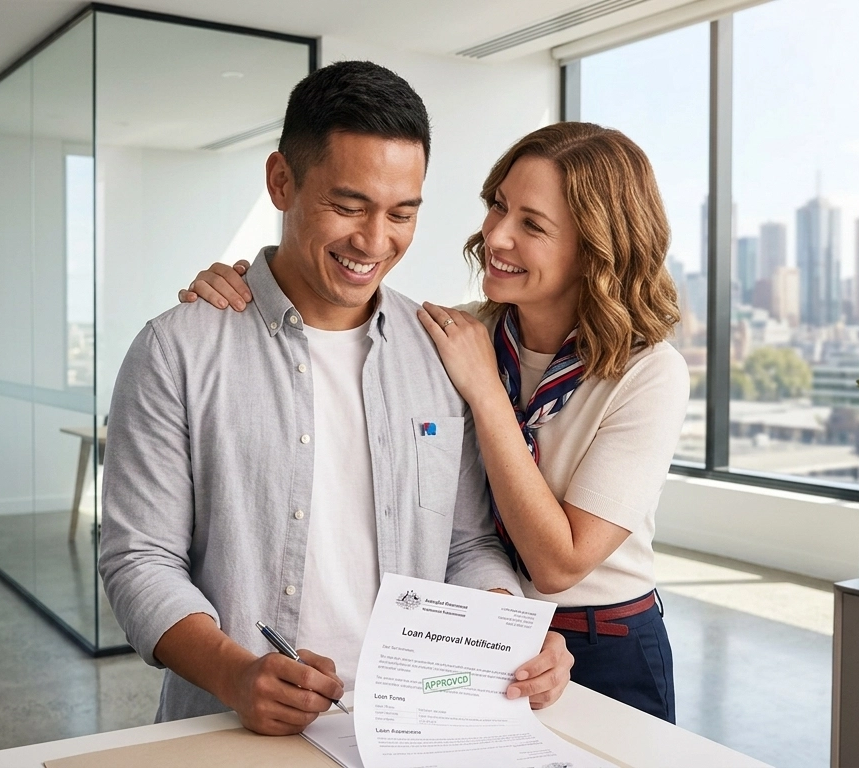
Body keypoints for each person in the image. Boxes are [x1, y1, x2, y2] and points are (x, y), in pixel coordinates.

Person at [98, 60, 573, 736]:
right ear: (281, 182)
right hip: (235, 727)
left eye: (402, 213)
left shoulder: (442, 353)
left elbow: (465, 545)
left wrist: (508, 631)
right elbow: (139, 558)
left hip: (410, 723)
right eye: (348, 206)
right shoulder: (176, 350)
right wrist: (235, 674)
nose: (374, 241)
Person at [181, 121, 689, 722]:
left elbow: (558, 565)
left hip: (603, 643)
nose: (495, 235)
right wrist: (246, 290)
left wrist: (486, 392)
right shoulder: (454, 335)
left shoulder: (648, 373)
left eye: (532, 225)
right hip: (477, 626)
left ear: (595, 249)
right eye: (498, 205)